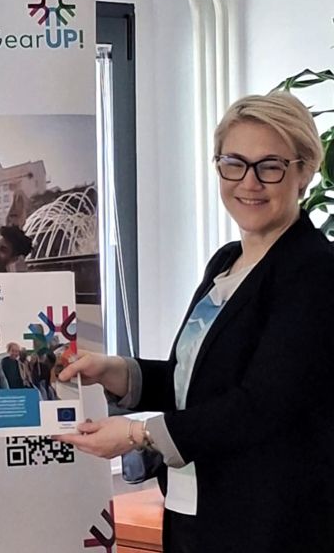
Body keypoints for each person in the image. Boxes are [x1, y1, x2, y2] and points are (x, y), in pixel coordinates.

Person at [58, 92, 334, 553]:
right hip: (198, 505)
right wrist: (116, 371)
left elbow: (260, 405)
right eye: (234, 163)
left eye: (270, 166)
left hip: (270, 520)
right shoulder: (227, 262)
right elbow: (198, 383)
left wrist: (138, 434)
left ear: (304, 173)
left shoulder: (316, 272)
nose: (249, 182)